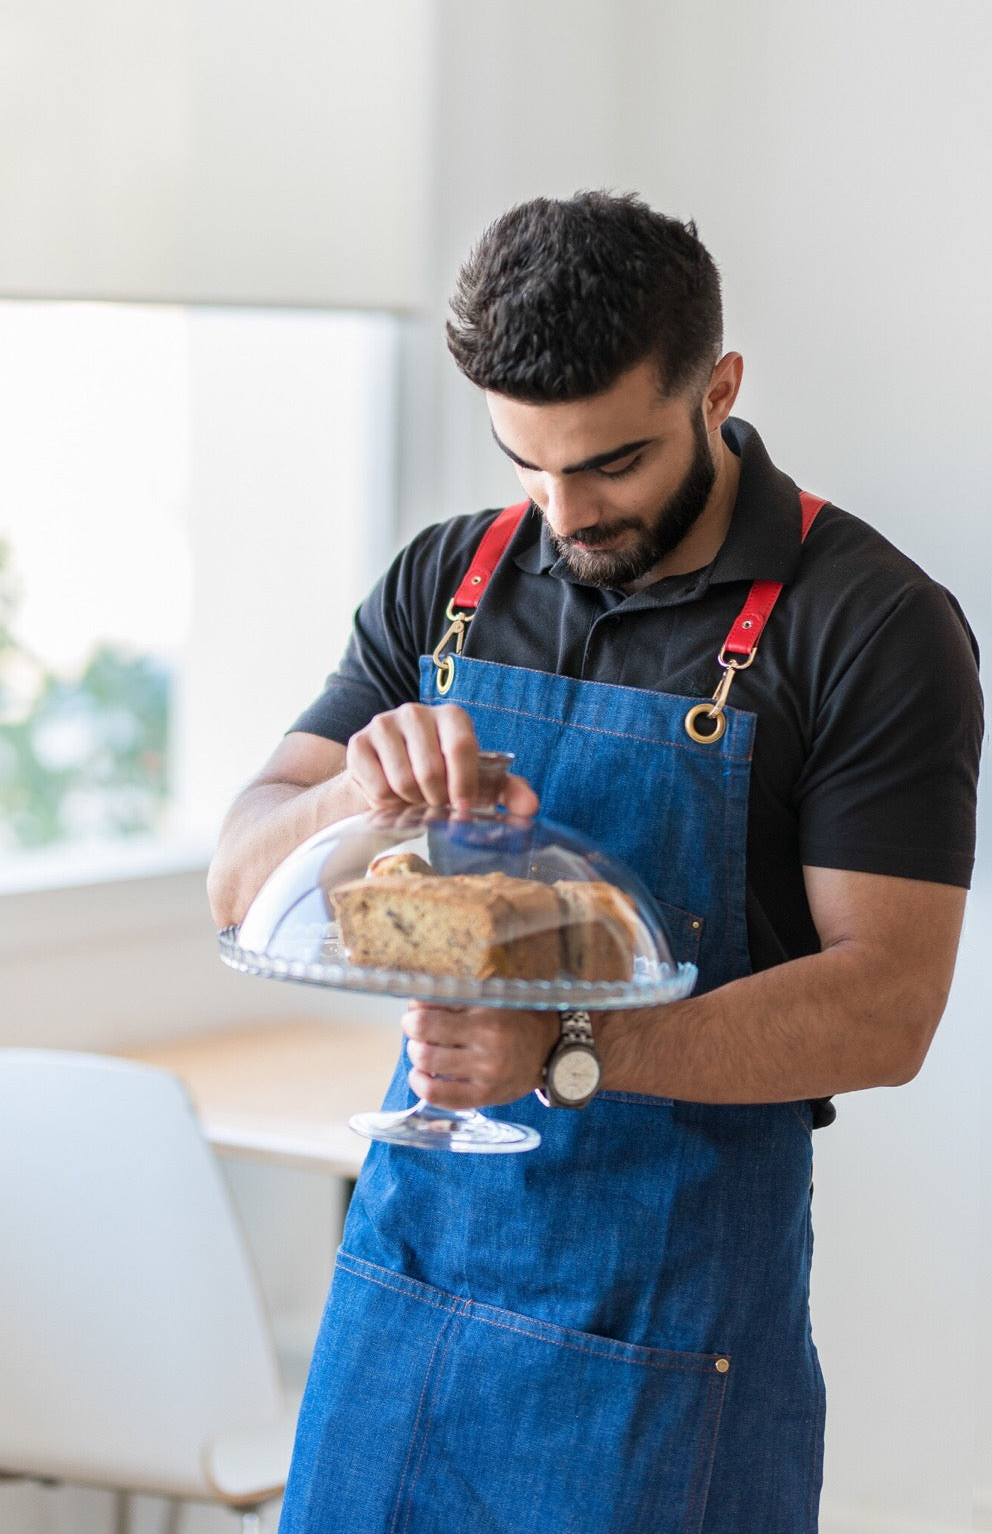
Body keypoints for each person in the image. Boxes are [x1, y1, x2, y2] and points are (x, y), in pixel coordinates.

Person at [207, 192, 982, 1534]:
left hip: (665, 1334)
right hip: (406, 1286)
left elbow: (888, 1007)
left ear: (717, 390)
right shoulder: (446, 581)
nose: (565, 512)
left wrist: (567, 1047)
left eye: (612, 464)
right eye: (528, 462)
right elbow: (237, 883)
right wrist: (355, 785)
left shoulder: (871, 625)